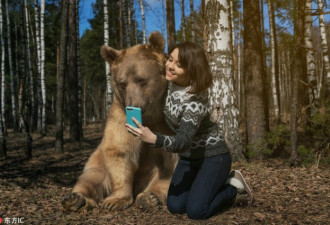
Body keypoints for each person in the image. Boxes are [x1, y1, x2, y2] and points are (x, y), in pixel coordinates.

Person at [126, 42, 253, 220]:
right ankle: (203, 186)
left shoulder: (195, 101)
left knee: (197, 211)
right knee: (175, 207)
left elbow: (183, 140)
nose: (170, 66)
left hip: (213, 156)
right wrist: (139, 124)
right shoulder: (168, 83)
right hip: (188, 158)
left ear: (191, 70)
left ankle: (233, 186)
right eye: (170, 59)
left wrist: (154, 139)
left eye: (179, 65)